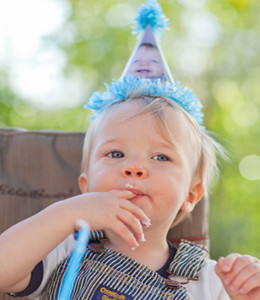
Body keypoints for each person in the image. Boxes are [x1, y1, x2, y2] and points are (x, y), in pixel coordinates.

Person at [0, 77, 260, 299]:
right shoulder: (62, 249)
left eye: (160, 157)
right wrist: (67, 214)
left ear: (191, 195)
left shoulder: (211, 282)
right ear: (86, 186)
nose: (134, 168)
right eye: (115, 154)